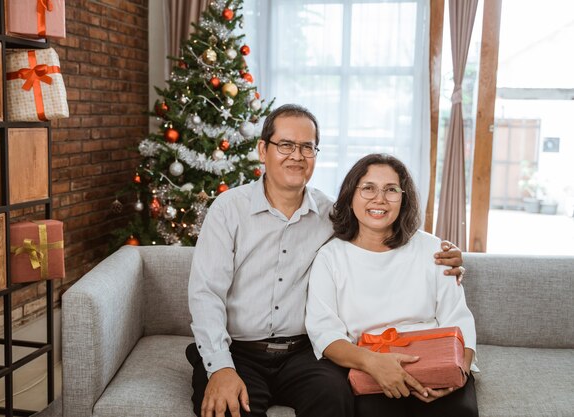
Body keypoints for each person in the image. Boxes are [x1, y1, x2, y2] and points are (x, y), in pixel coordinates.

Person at [187, 104, 464, 417]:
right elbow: (205, 294)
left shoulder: (330, 214)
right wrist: (220, 368)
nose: (297, 155)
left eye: (307, 147)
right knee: (229, 411)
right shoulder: (228, 210)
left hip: (303, 353)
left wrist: (443, 251)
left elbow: (381, 225)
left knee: (335, 399)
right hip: (239, 350)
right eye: (286, 145)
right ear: (263, 150)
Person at [305, 153, 478, 417]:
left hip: (436, 361)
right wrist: (372, 364)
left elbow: (457, 317)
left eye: (391, 190)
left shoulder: (434, 249)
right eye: (368, 188)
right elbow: (324, 333)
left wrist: (459, 373)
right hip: (370, 366)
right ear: (351, 196)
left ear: (404, 198)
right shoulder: (330, 258)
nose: (380, 199)